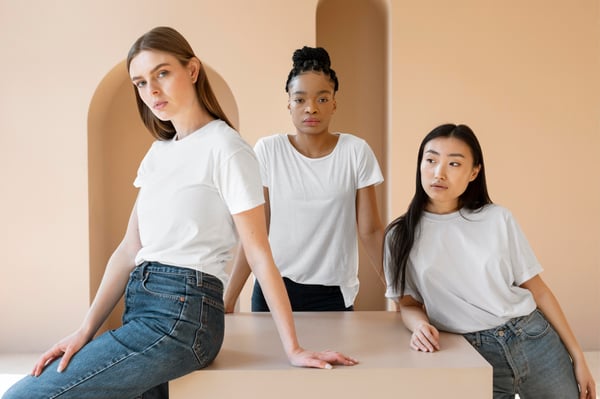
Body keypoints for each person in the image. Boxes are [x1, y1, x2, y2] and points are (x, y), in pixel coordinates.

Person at [2, 27, 357, 399]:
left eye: (162, 73)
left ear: (192, 70)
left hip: (185, 317)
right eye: (140, 82)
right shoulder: (159, 153)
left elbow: (258, 251)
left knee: (23, 396)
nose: (151, 90)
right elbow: (129, 249)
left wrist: (293, 348)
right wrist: (84, 331)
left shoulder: (227, 148)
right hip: (141, 308)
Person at [383, 123, 596, 399]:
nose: (439, 172)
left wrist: (578, 357)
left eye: (454, 163)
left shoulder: (497, 219)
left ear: (474, 172)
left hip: (534, 338)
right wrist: (420, 325)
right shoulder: (400, 236)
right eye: (431, 160)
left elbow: (538, 289)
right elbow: (407, 304)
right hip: (471, 351)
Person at [224, 46, 385, 313]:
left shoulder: (355, 151)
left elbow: (371, 231)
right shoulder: (268, 150)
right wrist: (229, 300)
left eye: (322, 99)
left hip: (333, 296)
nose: (311, 108)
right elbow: (255, 233)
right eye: (300, 100)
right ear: (288, 104)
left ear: (334, 103)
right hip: (272, 290)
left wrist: (399, 294)